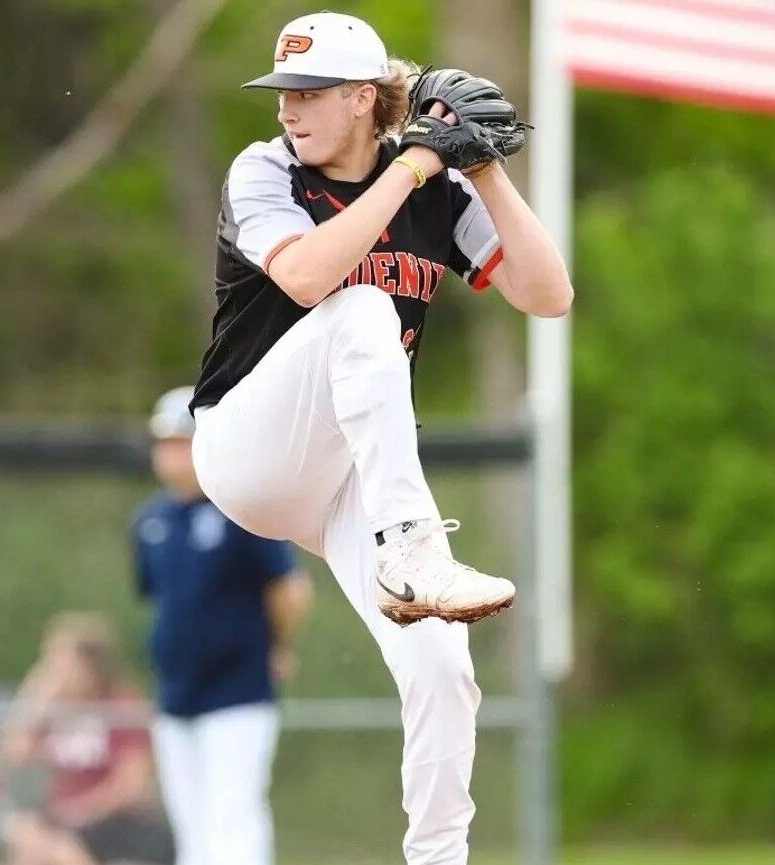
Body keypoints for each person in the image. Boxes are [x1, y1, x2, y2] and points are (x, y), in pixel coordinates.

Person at [189, 11, 573, 865]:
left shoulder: (438, 188)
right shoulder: (267, 169)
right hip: (248, 447)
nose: (288, 110)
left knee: (445, 666)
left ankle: (439, 857)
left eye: (309, 92)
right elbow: (304, 274)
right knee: (360, 309)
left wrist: (483, 170)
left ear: (365, 97)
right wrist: (412, 166)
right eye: (282, 92)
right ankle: (410, 546)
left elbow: (549, 296)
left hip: (347, 474)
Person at [133, 386, 312, 865]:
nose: (169, 454)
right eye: (164, 442)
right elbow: (161, 602)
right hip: (175, 694)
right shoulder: (152, 520)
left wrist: (279, 646)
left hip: (238, 691)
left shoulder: (242, 508)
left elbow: (289, 589)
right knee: (191, 826)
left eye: (181, 441)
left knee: (233, 817)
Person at [0, 613, 173, 865]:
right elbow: (14, 755)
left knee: (59, 849)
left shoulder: (120, 709)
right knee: (27, 835)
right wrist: (33, 701)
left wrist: (80, 811)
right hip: (67, 819)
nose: (55, 674)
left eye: (62, 664)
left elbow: (130, 785)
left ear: (90, 667)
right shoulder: (55, 709)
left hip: (118, 821)